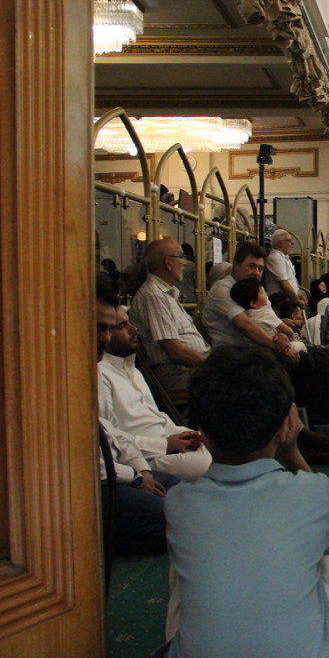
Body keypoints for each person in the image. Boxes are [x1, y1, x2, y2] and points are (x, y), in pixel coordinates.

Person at [160, 346, 329, 658]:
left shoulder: (178, 502)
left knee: (181, 573)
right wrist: (292, 451)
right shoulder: (313, 489)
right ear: (285, 425)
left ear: (202, 432)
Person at [97, 277, 180, 555]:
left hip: (126, 469)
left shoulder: (95, 368)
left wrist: (141, 469)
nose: (105, 338)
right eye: (100, 328)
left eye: (108, 328)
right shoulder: (90, 373)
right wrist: (133, 475)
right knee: (179, 521)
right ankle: (94, 542)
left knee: (191, 499)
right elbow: (88, 465)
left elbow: (112, 429)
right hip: (101, 482)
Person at [101, 305, 211, 481]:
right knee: (208, 464)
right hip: (143, 457)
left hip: (168, 444)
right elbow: (113, 437)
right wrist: (165, 445)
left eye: (129, 322)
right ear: (105, 334)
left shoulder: (132, 370)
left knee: (223, 449)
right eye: (122, 326)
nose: (133, 329)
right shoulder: (101, 373)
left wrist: (184, 434)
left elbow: (156, 417)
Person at [128, 238, 210, 392]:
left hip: (191, 366)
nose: (184, 263)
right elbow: (175, 352)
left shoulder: (166, 293)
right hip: (177, 372)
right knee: (239, 379)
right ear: (168, 262)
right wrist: (213, 364)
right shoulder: (153, 295)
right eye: (181, 257)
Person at [230, 277, 306, 353]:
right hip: (275, 349)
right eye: (262, 292)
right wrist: (293, 340)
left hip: (257, 350)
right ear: (253, 303)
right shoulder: (264, 313)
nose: (266, 294)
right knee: (302, 345)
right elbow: (289, 331)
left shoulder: (246, 315)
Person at [264, 229, 300, 302]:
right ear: (280, 243)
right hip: (281, 302)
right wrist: (297, 301)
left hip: (290, 300)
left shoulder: (285, 258)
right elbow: (284, 285)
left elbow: (292, 280)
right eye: (289, 240)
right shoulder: (275, 258)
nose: (292, 243)